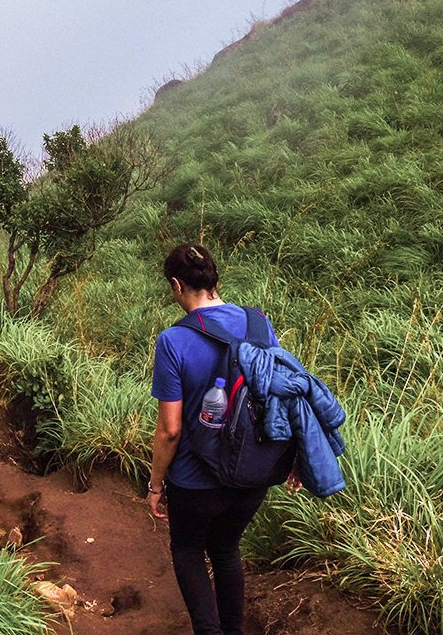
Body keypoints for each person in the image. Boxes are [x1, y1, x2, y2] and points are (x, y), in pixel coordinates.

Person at [147, 242, 295, 635]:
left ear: (177, 286)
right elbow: (283, 394)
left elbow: (170, 429)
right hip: (254, 473)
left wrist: (155, 484)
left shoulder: (173, 340)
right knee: (227, 549)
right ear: (214, 279)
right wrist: (296, 458)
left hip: (195, 482)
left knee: (188, 550)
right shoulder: (259, 323)